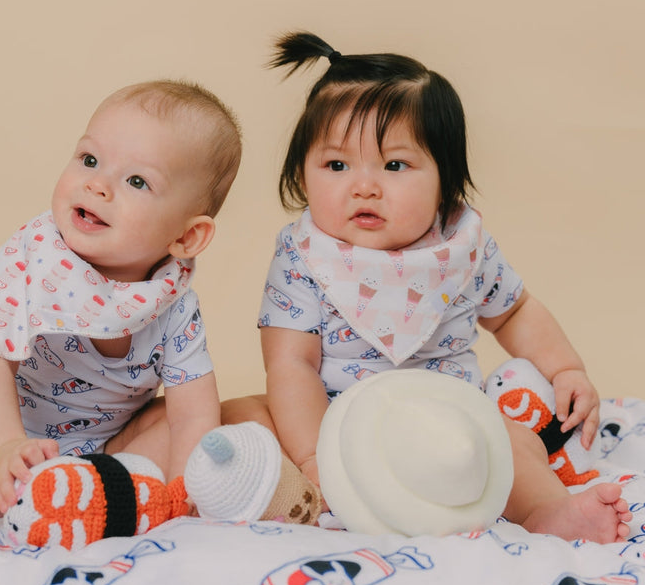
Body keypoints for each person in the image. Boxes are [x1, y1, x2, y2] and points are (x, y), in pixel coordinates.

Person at [245, 30, 630, 544]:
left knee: (512, 443)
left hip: (451, 433)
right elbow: (291, 364)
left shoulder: (460, 250)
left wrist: (565, 369)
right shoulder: (304, 256)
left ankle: (548, 512)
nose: (364, 185)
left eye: (395, 165)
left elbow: (514, 313)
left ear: (444, 180)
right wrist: (318, 457)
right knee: (252, 419)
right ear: (302, 172)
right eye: (336, 165)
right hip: (339, 429)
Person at [0, 80, 242, 514]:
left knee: (200, 423)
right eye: (90, 160)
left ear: (187, 236)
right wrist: (4, 446)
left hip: (109, 445)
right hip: (4, 422)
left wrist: (182, 497)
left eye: (136, 181)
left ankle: (90, 491)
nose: (98, 185)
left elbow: (191, 416)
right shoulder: (33, 262)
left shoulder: (174, 306)